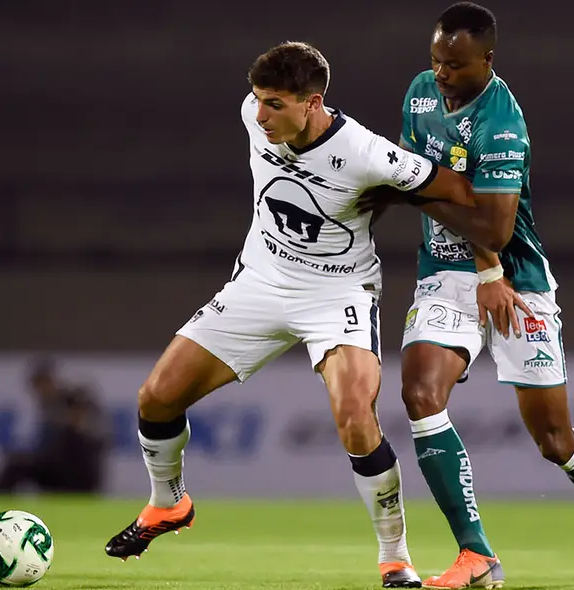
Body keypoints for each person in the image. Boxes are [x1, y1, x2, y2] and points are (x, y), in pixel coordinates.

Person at [103, 40, 476, 588]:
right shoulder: (254, 119)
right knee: (156, 398)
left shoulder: (367, 153)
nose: (260, 115)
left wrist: (397, 198)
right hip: (260, 283)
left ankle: (395, 557)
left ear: (313, 102)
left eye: (275, 103)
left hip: (338, 295)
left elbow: (456, 190)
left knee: (355, 414)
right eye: (257, 100)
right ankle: (168, 503)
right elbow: (258, 120)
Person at [361, 3, 574, 587]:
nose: (441, 74)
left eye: (456, 65)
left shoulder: (501, 122)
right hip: (445, 275)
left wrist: (423, 199)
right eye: (437, 61)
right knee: (419, 394)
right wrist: (419, 193)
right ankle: (477, 554)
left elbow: (491, 229)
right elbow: (415, 172)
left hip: (519, 286)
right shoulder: (421, 92)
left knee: (554, 441)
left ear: (487, 61)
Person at [0, 359, 106, 494]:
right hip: (55, 470)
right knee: (17, 464)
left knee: (70, 439)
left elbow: (87, 430)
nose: (39, 391)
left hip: (79, 472)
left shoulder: (74, 399)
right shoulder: (47, 405)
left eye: (41, 384)